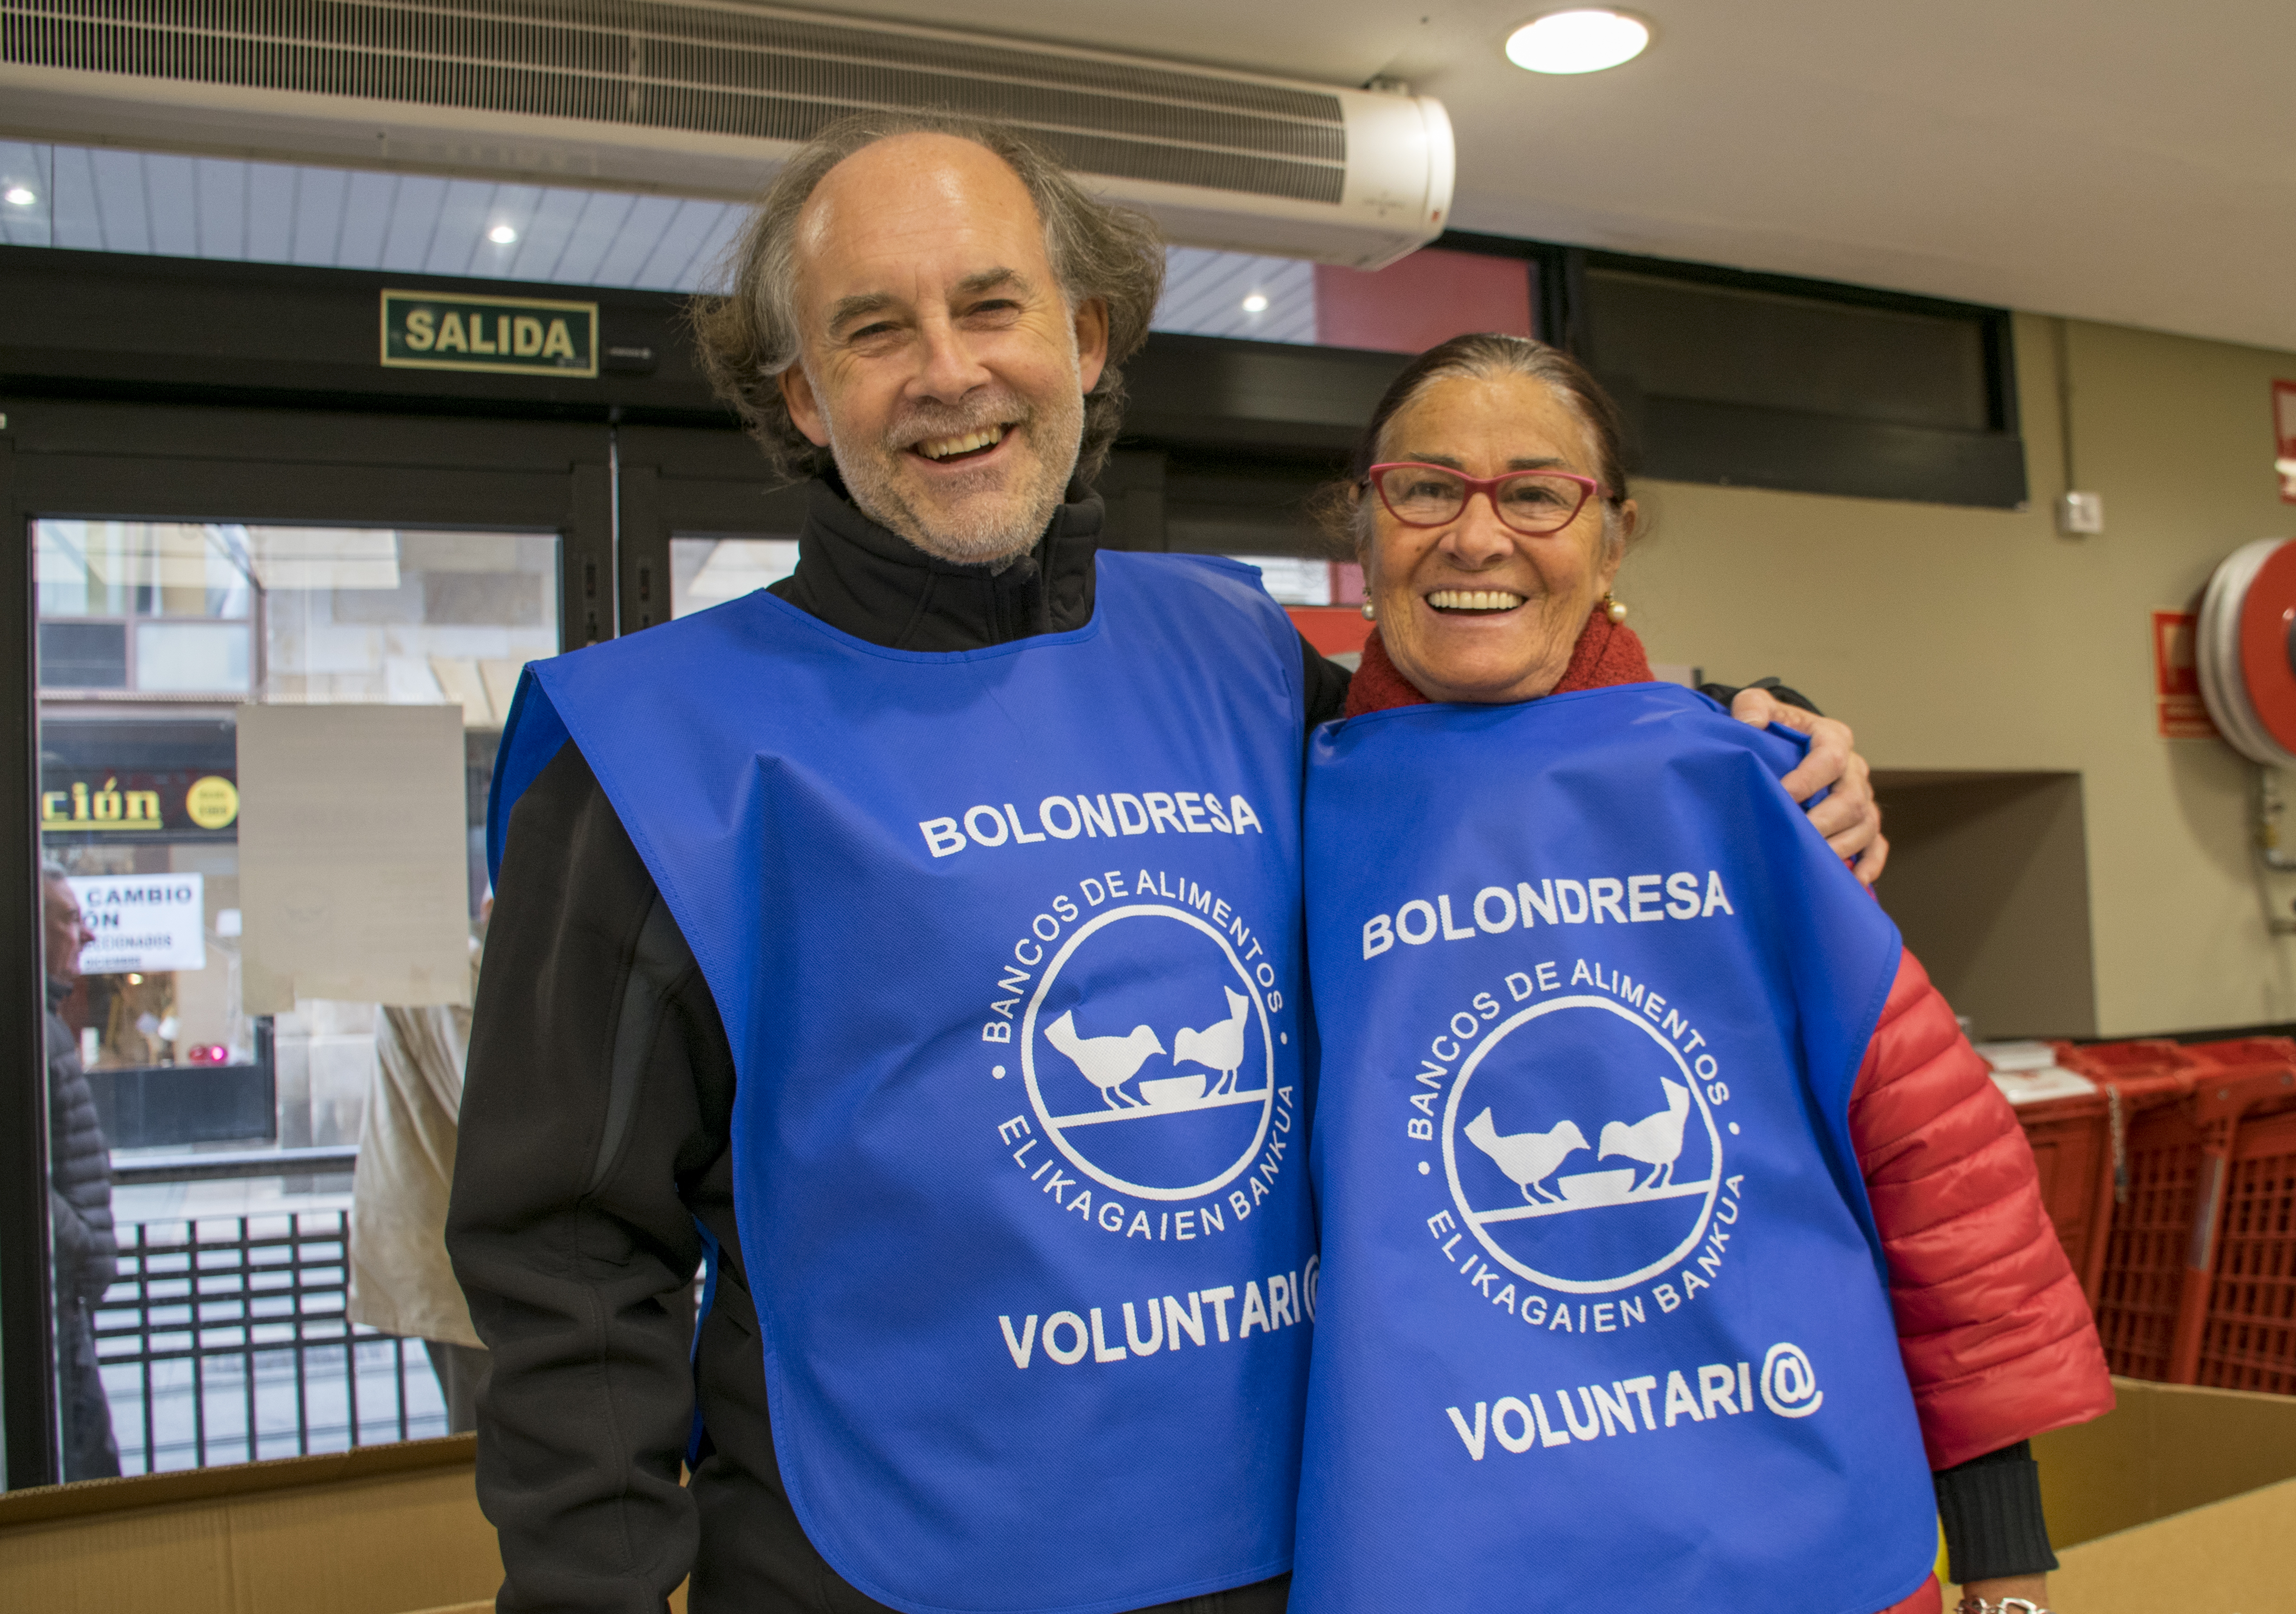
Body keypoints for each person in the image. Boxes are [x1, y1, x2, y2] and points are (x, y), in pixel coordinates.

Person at [449, 111, 1884, 1614]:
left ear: (1081, 338)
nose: (948, 370)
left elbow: (1503, 789)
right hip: (880, 1564)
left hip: (1319, 1546)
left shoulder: (1244, 655)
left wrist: (1744, 740)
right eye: (874, 331)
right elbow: (564, 1257)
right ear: (802, 397)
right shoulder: (652, 759)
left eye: (990, 304)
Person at [1289, 334, 2113, 1614]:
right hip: (1456, 1539)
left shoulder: (1756, 784)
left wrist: (2002, 1547)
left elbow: (1938, 1174)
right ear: (1365, 522)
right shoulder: (1283, 801)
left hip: (1793, 1526)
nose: (1475, 533)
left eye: (1535, 491)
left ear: (1611, 540)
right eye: (1426, 486)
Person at [348, 918, 487, 1434]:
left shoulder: (449, 965)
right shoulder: (438, 969)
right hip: (457, 1262)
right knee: (491, 1452)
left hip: (460, 1254)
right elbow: (485, 1102)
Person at [40, 862, 121, 1481]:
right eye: (69, 917)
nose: (87, 934)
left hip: (63, 1299)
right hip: (54, 1301)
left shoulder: (43, 1026)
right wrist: (83, 1245)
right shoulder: (30, 1032)